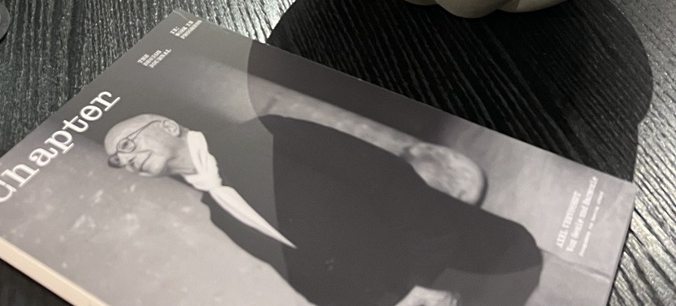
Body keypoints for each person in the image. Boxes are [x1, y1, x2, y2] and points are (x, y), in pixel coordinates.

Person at [103, 89, 542, 306]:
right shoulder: (217, 212)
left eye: (127, 144)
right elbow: (307, 278)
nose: (126, 159)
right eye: (118, 161)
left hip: (474, 266)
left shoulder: (265, 133)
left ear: (167, 126)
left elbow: (388, 179)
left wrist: (427, 277)